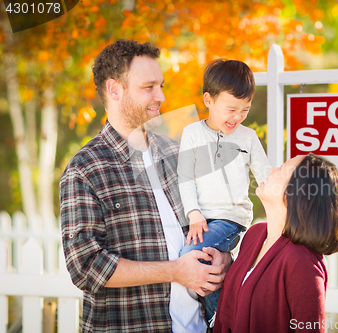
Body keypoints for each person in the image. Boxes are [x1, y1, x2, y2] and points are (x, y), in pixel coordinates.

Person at [59, 39, 231, 333]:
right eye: (148, 87)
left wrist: (223, 257)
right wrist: (175, 272)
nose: (161, 96)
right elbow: (86, 267)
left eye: (161, 85)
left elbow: (215, 220)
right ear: (114, 89)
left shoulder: (177, 153)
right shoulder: (85, 169)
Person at [213, 153, 338, 333]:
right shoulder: (254, 234)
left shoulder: (302, 263)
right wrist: (227, 265)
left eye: (281, 169)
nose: (272, 170)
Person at [177, 59, 271, 325]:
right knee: (199, 259)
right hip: (201, 220)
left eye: (245, 110)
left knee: (191, 254)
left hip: (231, 219)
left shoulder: (248, 137)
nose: (238, 117)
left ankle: (219, 318)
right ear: (208, 100)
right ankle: (217, 317)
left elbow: (265, 177)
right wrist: (194, 213)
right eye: (231, 109)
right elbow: (185, 177)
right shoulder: (192, 133)